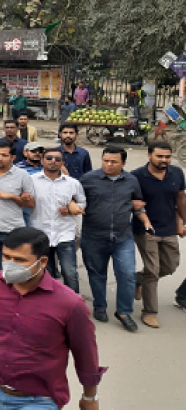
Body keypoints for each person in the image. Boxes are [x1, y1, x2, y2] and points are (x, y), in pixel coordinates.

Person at [0, 227, 105, 410]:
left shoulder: (70, 304)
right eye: (6, 257)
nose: (10, 264)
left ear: (42, 262)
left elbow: (85, 354)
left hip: (38, 401)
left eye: (19, 260)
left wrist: (90, 398)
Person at [79, 147, 149, 331]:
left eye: (114, 162)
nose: (108, 165)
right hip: (93, 236)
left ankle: (124, 311)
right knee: (97, 274)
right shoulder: (88, 180)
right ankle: (100, 306)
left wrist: (143, 217)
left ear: (123, 163)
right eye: (105, 160)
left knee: (127, 275)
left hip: (122, 237)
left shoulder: (131, 180)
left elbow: (138, 202)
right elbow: (74, 198)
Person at [131, 142, 186, 328]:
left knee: (171, 265)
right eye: (160, 156)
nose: (164, 160)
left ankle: (137, 279)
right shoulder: (137, 176)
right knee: (153, 270)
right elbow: (135, 204)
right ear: (149, 155)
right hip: (146, 229)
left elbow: (180, 199)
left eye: (167, 157)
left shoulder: (177, 173)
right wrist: (144, 221)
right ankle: (149, 312)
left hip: (169, 227)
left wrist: (183, 222)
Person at [31, 149, 86, 293]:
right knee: (46, 274)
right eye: (49, 158)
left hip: (64, 232)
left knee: (70, 273)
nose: (53, 161)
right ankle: (51, 305)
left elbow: (82, 202)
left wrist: (71, 210)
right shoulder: (31, 181)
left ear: (63, 163)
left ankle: (73, 304)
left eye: (57, 159)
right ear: (42, 160)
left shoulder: (72, 183)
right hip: (40, 232)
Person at [0, 141, 36, 272]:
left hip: (13, 230)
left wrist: (13, 197)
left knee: (12, 270)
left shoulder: (22, 175)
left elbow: (31, 204)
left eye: (4, 155)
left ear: (13, 157)